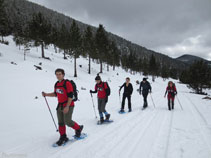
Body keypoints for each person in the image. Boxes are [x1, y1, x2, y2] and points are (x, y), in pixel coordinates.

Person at [42, 68, 83, 146]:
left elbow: (70, 95)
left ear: (63, 75)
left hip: (69, 105)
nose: (58, 76)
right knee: (61, 122)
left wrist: (67, 106)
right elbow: (55, 94)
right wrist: (46, 94)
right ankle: (63, 137)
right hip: (60, 105)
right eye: (56, 74)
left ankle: (78, 128)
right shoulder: (57, 84)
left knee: (67, 121)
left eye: (59, 74)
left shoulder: (67, 83)